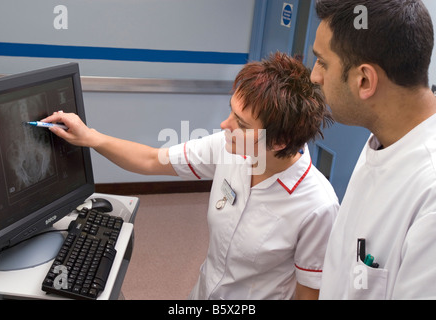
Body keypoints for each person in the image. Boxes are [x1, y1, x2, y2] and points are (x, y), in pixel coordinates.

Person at [42, 52, 339, 300]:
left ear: (279, 142)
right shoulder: (231, 148)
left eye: (241, 124)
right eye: (230, 112)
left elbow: (308, 295)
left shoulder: (316, 206)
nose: (225, 125)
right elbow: (150, 160)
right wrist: (89, 137)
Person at [311, 0, 436, 299]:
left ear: (364, 80)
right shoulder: (383, 140)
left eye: (323, 62)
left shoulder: (429, 190)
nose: (314, 76)